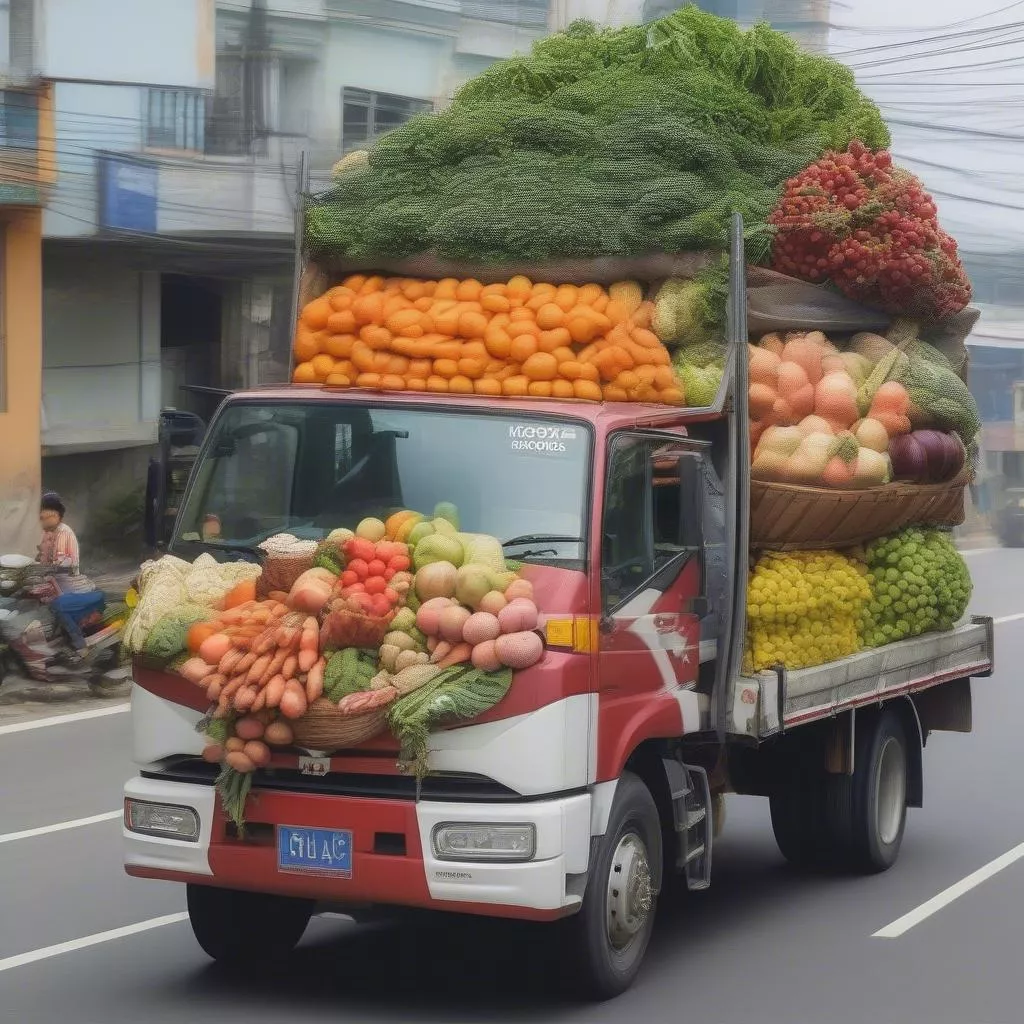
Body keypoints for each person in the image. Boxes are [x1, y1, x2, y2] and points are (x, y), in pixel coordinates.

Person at [37, 491, 80, 573]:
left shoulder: (63, 531)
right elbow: (44, 556)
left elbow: (61, 563)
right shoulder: (48, 531)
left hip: (65, 579)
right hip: (51, 575)